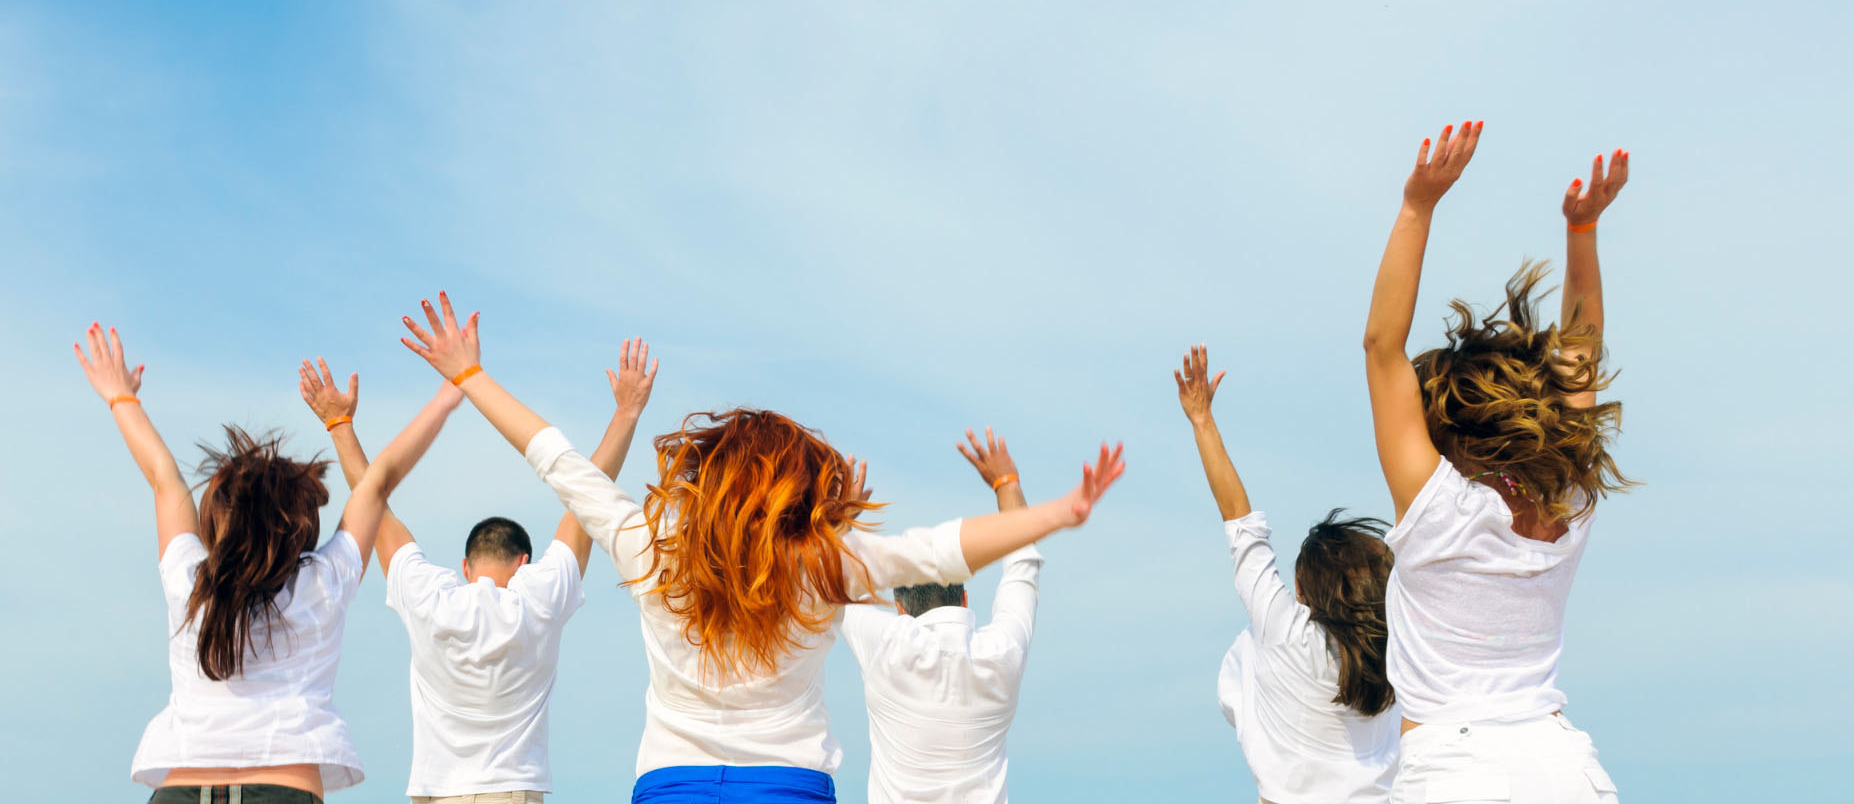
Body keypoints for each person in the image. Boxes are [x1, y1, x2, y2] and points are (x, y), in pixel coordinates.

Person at [396, 292, 1124, 803]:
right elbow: (939, 551)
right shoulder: (823, 565)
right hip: (788, 784)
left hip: (672, 785)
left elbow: (556, 459)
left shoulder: (652, 550)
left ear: (706, 479)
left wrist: (469, 375)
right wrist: (1054, 512)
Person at [1361, 121, 1631, 802]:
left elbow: (1380, 348)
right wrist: (1581, 232)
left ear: (1439, 424)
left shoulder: (1437, 509)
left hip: (1456, 772)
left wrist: (1417, 206)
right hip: (1564, 765)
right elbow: (1580, 348)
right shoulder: (1564, 501)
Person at [76, 323, 438, 803]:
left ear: (214, 519)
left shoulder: (192, 582)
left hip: (181, 792)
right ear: (300, 525)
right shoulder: (321, 584)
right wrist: (454, 388)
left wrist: (121, 397)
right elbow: (378, 482)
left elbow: (163, 478)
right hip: (282, 791)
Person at [296, 338, 658, 804]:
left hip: (434, 792)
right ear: (523, 561)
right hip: (511, 792)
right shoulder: (538, 598)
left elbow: (375, 508)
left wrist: (339, 424)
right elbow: (587, 504)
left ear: (464, 566)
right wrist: (626, 413)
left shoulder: (431, 597)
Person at [1173, 345, 1400, 803]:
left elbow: (1240, 522)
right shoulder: (1399, 653)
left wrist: (1202, 421)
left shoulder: (1287, 632)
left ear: (1303, 592)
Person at [838, 428, 1046, 804]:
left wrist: (843, 521)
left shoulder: (888, 646)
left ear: (899, 608)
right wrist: (1006, 483)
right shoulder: (1001, 653)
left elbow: (834, 578)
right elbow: (1023, 564)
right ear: (963, 597)